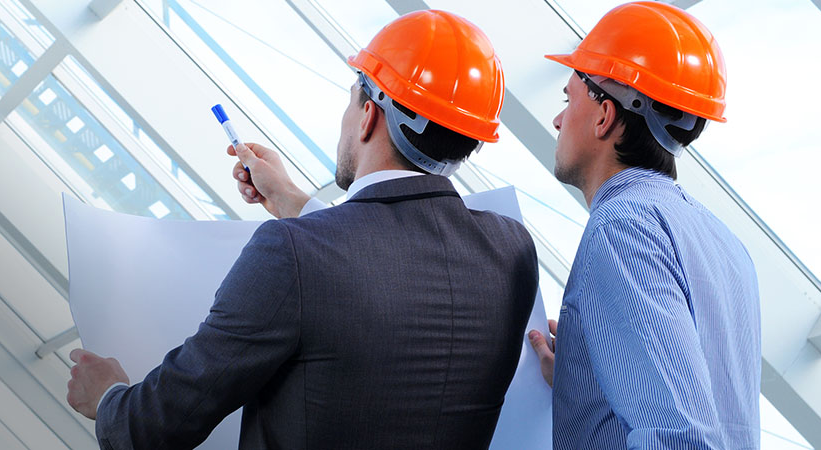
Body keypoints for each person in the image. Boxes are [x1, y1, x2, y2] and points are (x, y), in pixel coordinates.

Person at [66, 10, 539, 449]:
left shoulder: (293, 254)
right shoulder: (510, 252)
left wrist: (107, 396)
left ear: (370, 114)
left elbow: (156, 423)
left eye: (351, 102)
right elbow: (387, 266)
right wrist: (294, 202)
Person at [525, 2, 761, 449]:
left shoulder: (623, 228)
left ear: (604, 116)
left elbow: (680, 438)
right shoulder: (724, 243)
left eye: (567, 99)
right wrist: (582, 382)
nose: (558, 119)